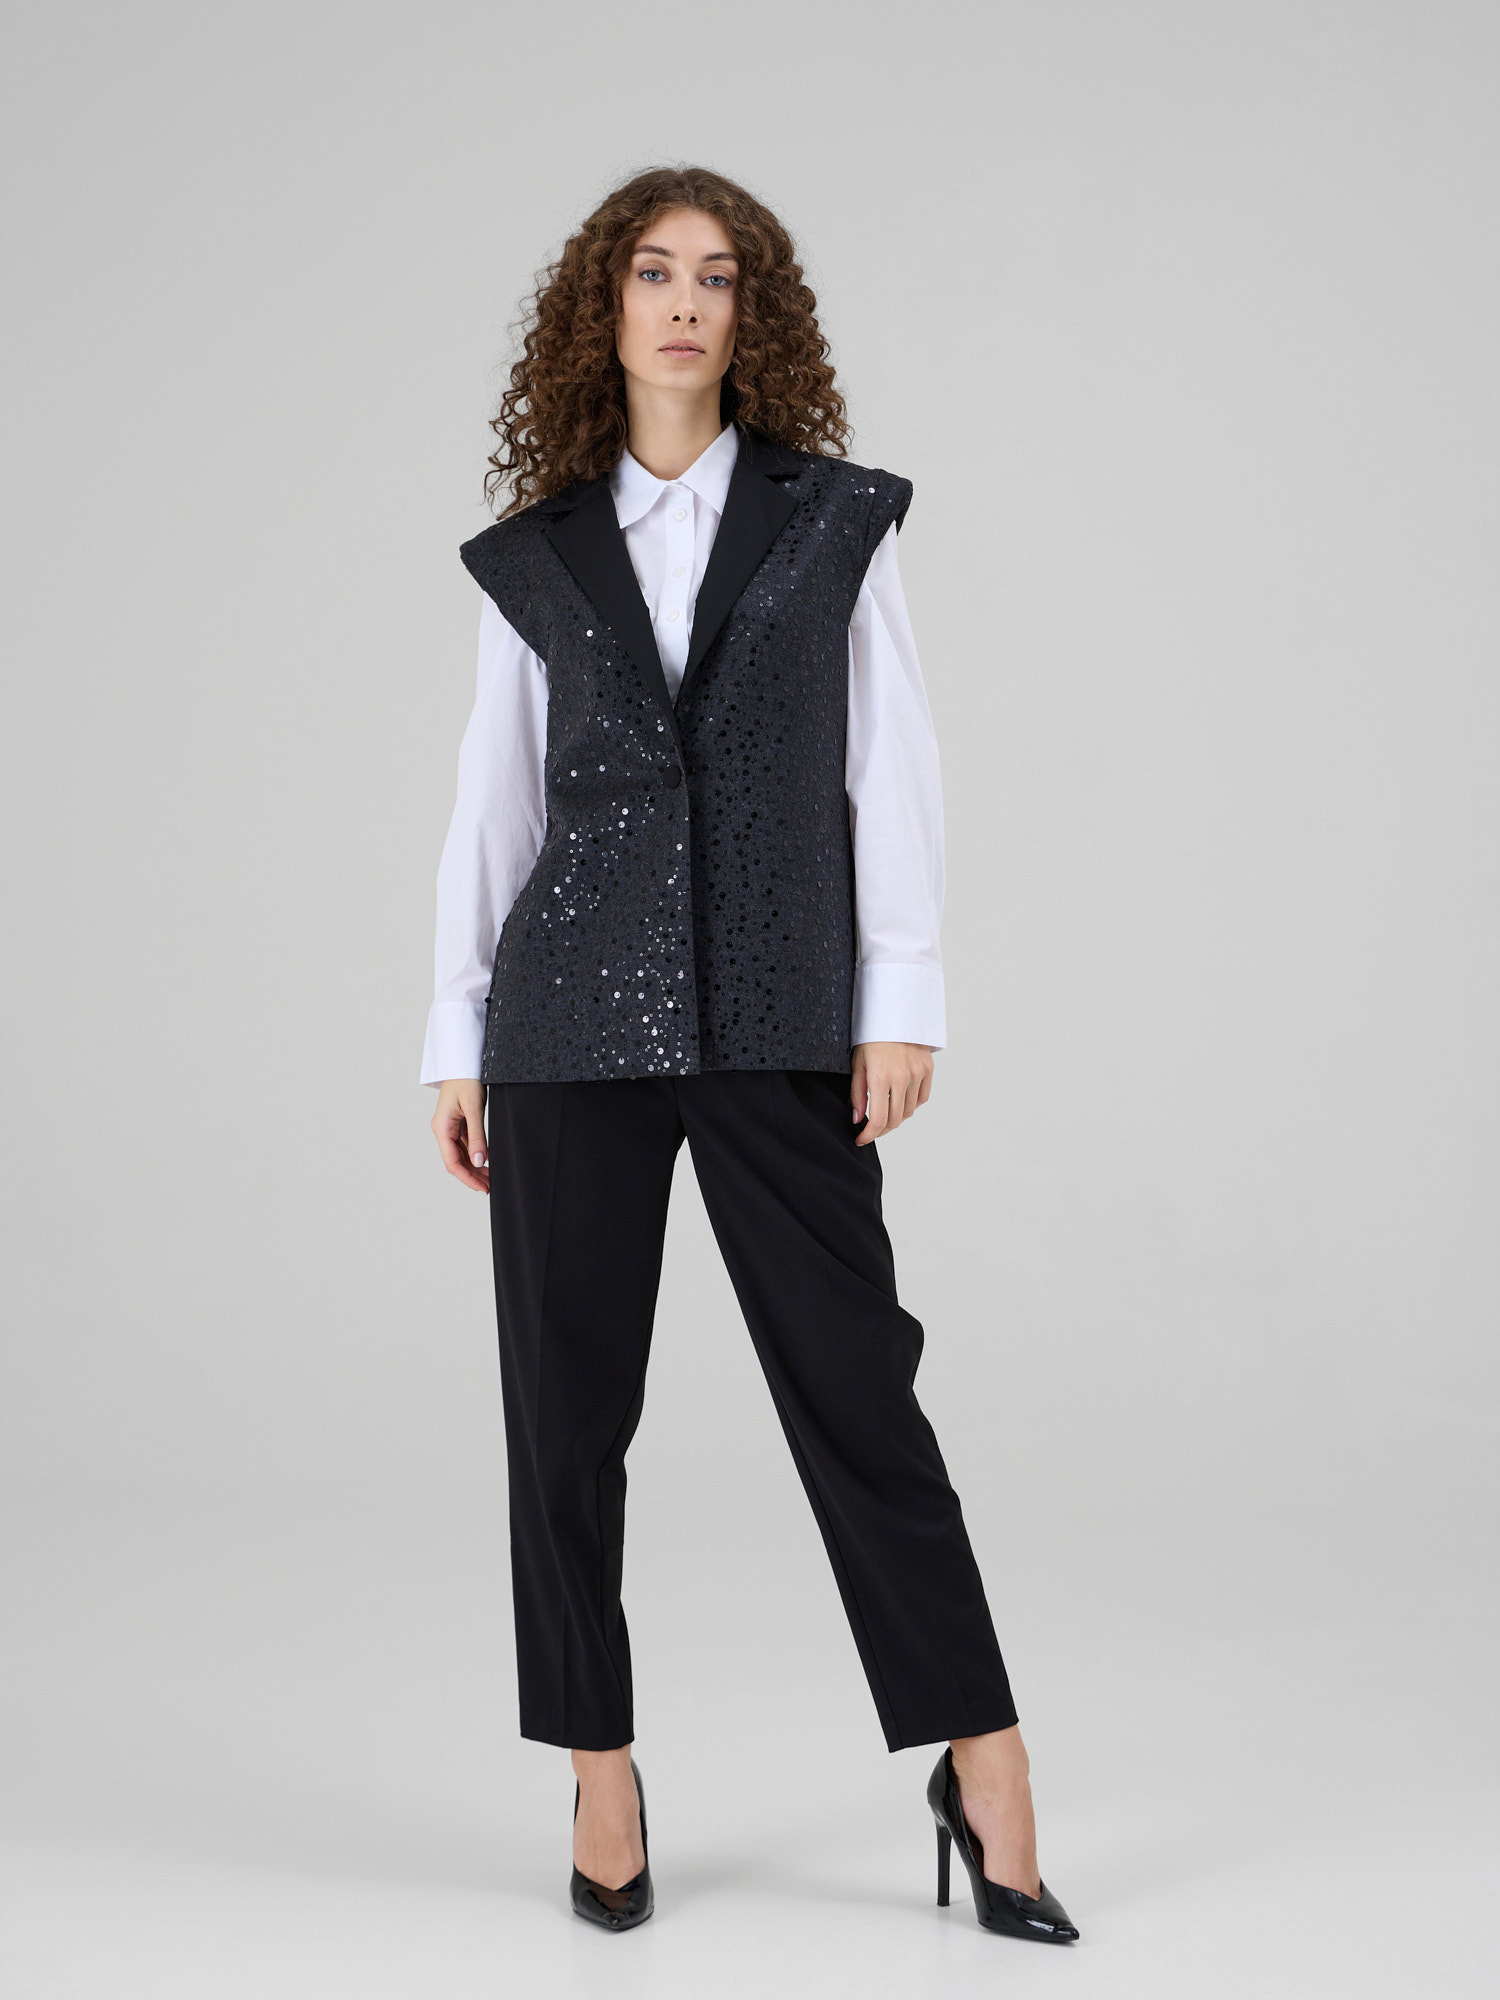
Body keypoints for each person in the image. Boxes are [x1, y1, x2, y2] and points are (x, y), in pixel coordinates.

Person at [421, 165, 1078, 1943]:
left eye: (717, 277)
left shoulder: (833, 520)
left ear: (751, 314)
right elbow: (494, 801)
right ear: (606, 309)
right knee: (565, 1413)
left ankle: (986, 1757)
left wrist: (901, 995)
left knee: (859, 1388)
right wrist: (455, 1032)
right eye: (654, 273)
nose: (684, 304)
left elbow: (894, 761)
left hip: (785, 1010)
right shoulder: (536, 551)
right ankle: (599, 1767)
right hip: (566, 1019)